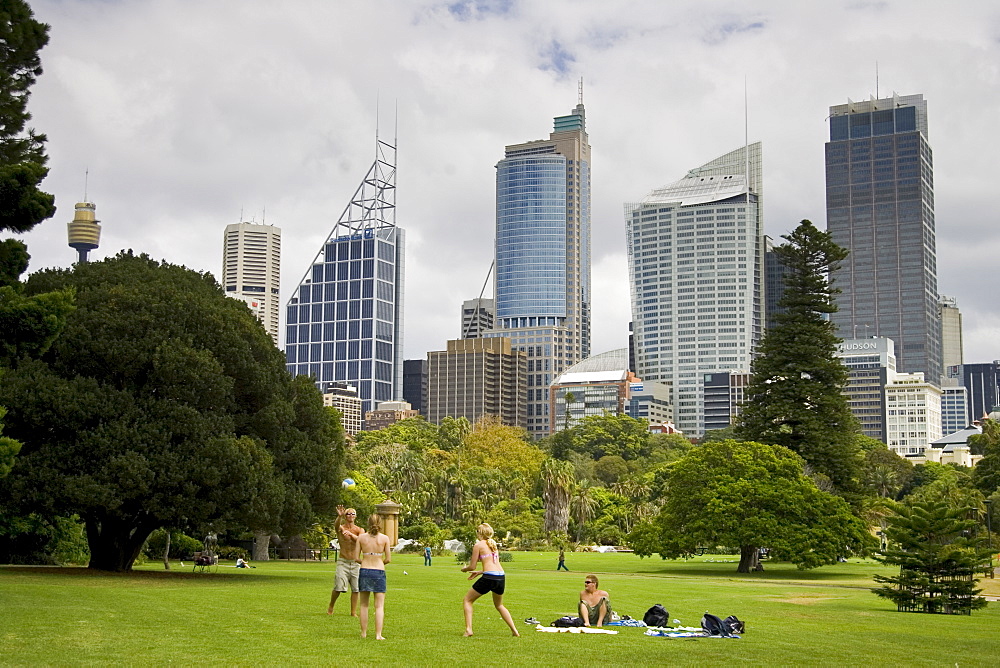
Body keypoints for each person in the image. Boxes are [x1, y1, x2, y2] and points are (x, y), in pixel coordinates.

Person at [460, 523, 519, 637]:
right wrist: (480, 572)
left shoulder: (478, 545)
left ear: (480, 533)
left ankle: (468, 630)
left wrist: (464, 569)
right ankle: (515, 631)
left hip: (489, 577)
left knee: (467, 600)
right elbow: (493, 564)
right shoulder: (493, 544)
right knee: (499, 605)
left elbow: (472, 566)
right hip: (500, 576)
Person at [355, 513, 391, 640]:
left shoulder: (361, 538)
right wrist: (379, 561)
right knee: (379, 605)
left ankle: (363, 633)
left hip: (364, 570)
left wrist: (366, 561)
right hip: (379, 571)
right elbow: (388, 559)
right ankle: (378, 634)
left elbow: (356, 558)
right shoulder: (385, 539)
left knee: (364, 604)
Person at [328, 505, 364, 616]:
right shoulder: (341, 528)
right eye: (348, 513)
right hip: (343, 562)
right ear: (345, 516)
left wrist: (351, 535)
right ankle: (331, 606)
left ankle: (353, 612)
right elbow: (336, 526)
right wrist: (339, 517)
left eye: (353, 513)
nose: (350, 515)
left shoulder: (359, 530)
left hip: (355, 562)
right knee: (339, 588)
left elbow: (361, 540)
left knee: (356, 589)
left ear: (356, 516)